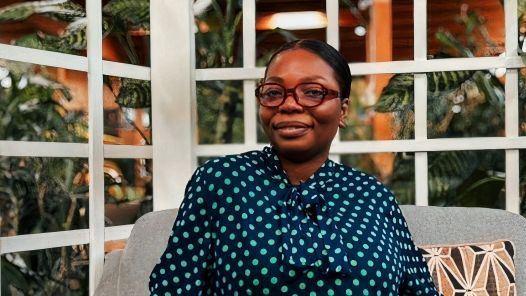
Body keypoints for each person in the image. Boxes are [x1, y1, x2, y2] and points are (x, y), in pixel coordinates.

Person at [149, 39, 439, 295]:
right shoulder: (222, 182)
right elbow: (174, 287)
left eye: (313, 91)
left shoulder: (373, 195)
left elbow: (419, 290)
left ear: (343, 110)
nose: (288, 105)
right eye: (274, 92)